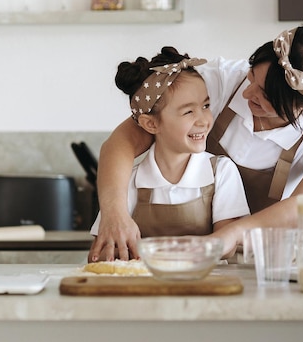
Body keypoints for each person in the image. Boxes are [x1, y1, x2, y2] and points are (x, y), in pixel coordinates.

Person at [89, 9, 303, 262]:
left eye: (265, 96)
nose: (247, 94)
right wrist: (114, 213)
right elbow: (123, 141)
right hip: (200, 259)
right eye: (251, 79)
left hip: (266, 262)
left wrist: (230, 234)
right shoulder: (219, 81)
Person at [88, 47, 250, 260]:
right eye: (188, 111)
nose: (203, 120)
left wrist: (156, 251)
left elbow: (226, 246)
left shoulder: (221, 172)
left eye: (206, 105)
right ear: (151, 124)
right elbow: (106, 248)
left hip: (207, 288)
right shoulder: (129, 180)